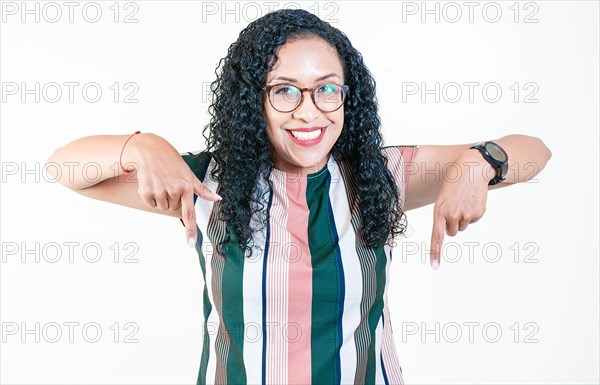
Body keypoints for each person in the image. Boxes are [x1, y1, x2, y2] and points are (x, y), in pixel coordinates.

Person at [45, 8, 552, 385]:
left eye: (327, 89)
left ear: (348, 95)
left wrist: (480, 159)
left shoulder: (383, 174)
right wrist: (141, 144)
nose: (310, 112)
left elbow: (536, 153)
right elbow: (64, 167)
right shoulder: (206, 181)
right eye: (285, 90)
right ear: (254, 101)